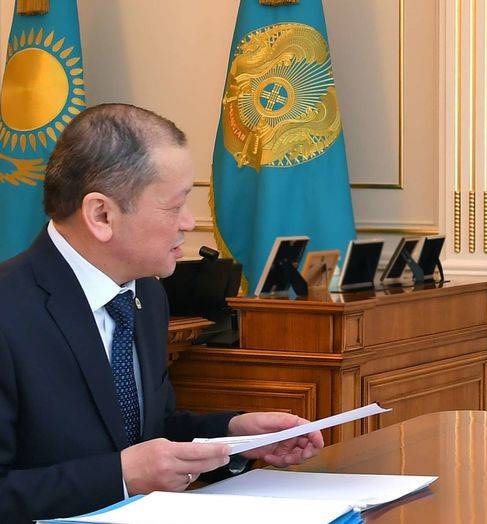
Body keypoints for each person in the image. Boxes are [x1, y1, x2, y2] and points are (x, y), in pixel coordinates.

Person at [0, 104, 325, 522]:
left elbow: (150, 434)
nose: (189, 222)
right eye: (175, 206)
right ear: (101, 215)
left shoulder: (147, 295)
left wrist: (233, 438)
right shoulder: (10, 311)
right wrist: (120, 477)